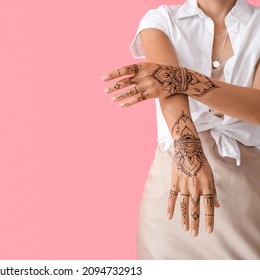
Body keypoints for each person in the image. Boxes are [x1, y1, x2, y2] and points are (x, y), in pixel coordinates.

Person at [102, 0, 260, 259]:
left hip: (247, 198)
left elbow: (257, 106)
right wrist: (189, 150)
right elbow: (169, 94)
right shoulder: (161, 20)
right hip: (173, 193)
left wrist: (184, 79)